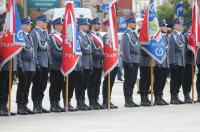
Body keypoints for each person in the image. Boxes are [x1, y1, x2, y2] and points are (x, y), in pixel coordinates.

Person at [30, 15, 51, 113]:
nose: (46, 24)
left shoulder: (45, 33)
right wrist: (36, 63)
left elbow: (48, 50)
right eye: (44, 22)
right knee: (37, 85)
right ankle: (35, 105)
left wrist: (49, 62)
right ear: (38, 22)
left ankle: (40, 104)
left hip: (45, 63)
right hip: (39, 63)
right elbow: (33, 49)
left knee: (43, 86)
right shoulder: (35, 33)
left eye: (46, 22)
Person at [16, 17, 36, 115]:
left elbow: (33, 51)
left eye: (30, 24)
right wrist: (20, 66)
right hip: (24, 64)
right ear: (23, 25)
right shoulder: (20, 36)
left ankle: (25, 104)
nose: (30, 26)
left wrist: (34, 65)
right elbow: (18, 52)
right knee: (22, 86)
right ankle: (20, 106)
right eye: (28, 24)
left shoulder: (29, 36)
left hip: (30, 65)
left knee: (27, 86)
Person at [49, 17, 66, 112]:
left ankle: (57, 103)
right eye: (60, 24)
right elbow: (53, 52)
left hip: (62, 66)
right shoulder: (52, 37)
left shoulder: (62, 37)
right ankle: (53, 104)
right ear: (56, 26)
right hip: (55, 65)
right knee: (54, 85)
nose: (62, 26)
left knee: (60, 85)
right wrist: (64, 56)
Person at [122, 17, 140, 107]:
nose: (135, 24)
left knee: (133, 81)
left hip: (135, 60)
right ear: (129, 24)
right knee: (128, 81)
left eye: (135, 23)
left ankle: (130, 98)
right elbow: (125, 49)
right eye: (133, 23)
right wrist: (128, 61)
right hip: (130, 61)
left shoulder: (133, 34)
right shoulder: (127, 34)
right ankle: (127, 100)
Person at [0, 19, 16, 116]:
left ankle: (5, 106)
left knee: (8, 88)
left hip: (11, 67)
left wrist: (16, 67)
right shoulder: (1, 37)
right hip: (3, 67)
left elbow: (16, 54)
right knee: (2, 87)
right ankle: (1, 107)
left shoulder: (13, 38)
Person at [168, 18, 185, 105]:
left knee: (179, 80)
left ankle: (177, 96)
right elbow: (171, 51)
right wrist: (172, 62)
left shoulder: (181, 36)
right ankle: (173, 97)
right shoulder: (172, 36)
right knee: (174, 80)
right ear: (175, 26)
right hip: (175, 62)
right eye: (179, 24)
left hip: (181, 61)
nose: (181, 25)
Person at [102, 20, 118, 109]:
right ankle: (105, 101)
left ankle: (109, 99)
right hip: (108, 62)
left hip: (114, 62)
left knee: (111, 82)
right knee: (107, 82)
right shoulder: (106, 37)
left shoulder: (114, 37)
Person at [88, 17, 104, 109]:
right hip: (93, 63)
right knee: (92, 83)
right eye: (98, 24)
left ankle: (96, 100)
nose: (99, 25)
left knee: (98, 83)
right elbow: (92, 50)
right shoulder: (90, 36)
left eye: (100, 24)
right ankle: (91, 101)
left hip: (99, 63)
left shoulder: (99, 36)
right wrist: (102, 55)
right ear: (93, 25)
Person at [153, 19, 169, 106]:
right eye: (164, 26)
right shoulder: (157, 37)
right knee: (158, 80)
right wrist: (157, 63)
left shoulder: (165, 37)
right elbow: (156, 50)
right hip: (159, 62)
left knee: (163, 80)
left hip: (165, 63)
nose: (166, 27)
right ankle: (157, 97)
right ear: (159, 27)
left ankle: (160, 96)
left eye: (166, 26)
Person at [78, 18, 93, 110]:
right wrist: (80, 65)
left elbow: (90, 51)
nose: (88, 26)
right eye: (86, 25)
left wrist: (90, 65)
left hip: (88, 64)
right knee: (80, 85)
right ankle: (79, 102)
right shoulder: (79, 36)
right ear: (82, 26)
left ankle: (83, 101)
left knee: (85, 85)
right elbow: (80, 51)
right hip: (82, 64)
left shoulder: (87, 37)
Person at [182, 21, 193, 104]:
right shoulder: (186, 36)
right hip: (186, 60)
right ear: (190, 26)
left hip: (192, 61)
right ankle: (186, 95)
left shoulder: (194, 36)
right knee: (186, 79)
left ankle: (188, 93)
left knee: (190, 79)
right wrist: (190, 50)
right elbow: (184, 49)